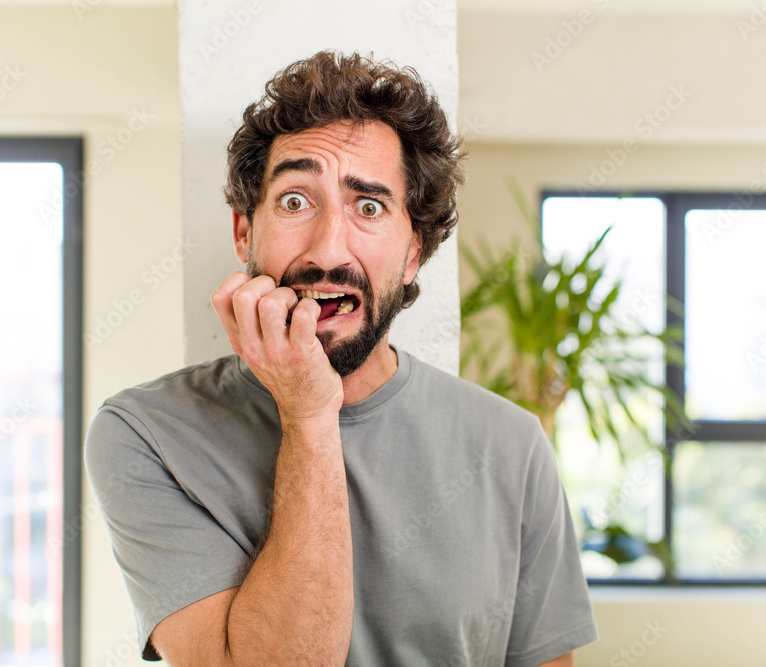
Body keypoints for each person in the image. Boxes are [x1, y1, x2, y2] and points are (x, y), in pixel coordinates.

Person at [85, 50, 597, 666]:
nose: (328, 250)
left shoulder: (512, 445)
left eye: (369, 207)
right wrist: (308, 414)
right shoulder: (146, 433)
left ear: (412, 255)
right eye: (294, 201)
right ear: (245, 232)